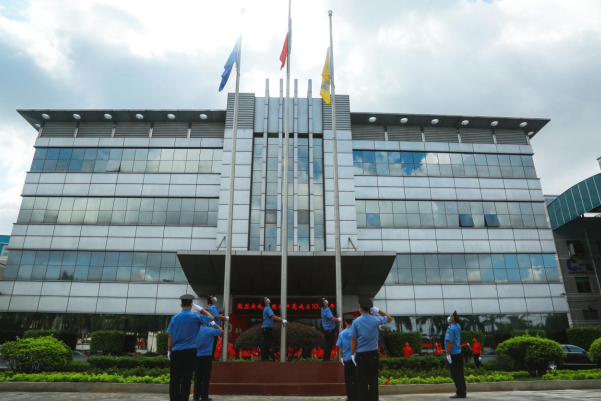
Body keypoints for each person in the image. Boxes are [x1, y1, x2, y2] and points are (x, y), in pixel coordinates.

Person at [167, 294, 214, 401]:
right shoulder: (196, 316)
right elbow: (211, 318)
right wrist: (201, 309)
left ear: (181, 305)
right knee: (187, 378)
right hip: (190, 351)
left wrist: (168, 350)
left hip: (176, 351)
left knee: (174, 378)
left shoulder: (175, 317)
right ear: (191, 305)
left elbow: (170, 335)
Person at [350, 297, 393, 401]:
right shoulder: (376, 319)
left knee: (362, 380)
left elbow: (353, 340)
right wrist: (378, 310)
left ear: (360, 309)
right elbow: (389, 318)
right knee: (373, 379)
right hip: (373, 354)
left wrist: (352, 354)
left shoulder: (356, 322)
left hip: (361, 354)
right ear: (370, 309)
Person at [194, 320, 223, 401]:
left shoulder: (195, 330)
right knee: (205, 377)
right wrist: (214, 324)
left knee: (197, 377)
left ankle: (196, 397)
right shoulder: (210, 330)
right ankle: (204, 396)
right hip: (207, 356)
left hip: (197, 356)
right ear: (207, 323)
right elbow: (222, 331)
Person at [446, 310, 466, 399]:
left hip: (453, 354)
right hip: (458, 353)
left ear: (453, 319)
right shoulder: (458, 326)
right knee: (460, 374)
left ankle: (460, 393)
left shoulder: (451, 328)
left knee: (455, 374)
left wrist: (448, 354)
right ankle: (462, 391)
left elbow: (450, 342)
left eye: (451, 316)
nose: (449, 317)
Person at [261, 296, 287, 361]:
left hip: (267, 328)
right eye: (266, 299)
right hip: (267, 328)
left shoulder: (268, 308)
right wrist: (282, 320)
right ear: (265, 302)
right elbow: (273, 316)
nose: (268, 299)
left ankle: (266, 358)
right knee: (266, 343)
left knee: (267, 343)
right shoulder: (267, 308)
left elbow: (273, 316)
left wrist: (279, 318)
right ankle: (265, 359)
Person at [337, 317, 356, 401]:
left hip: (347, 359)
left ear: (345, 322)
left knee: (348, 379)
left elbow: (340, 347)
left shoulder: (342, 334)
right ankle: (357, 396)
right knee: (357, 378)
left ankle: (350, 397)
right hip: (356, 358)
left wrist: (341, 357)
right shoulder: (356, 332)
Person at [206, 295, 228, 360]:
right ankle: (211, 357)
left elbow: (217, 315)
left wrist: (221, 316)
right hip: (214, 328)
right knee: (213, 343)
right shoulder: (213, 307)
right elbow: (217, 316)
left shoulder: (214, 307)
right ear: (212, 301)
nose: (215, 299)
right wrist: (225, 317)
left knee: (213, 343)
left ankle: (211, 356)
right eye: (213, 298)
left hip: (214, 327)